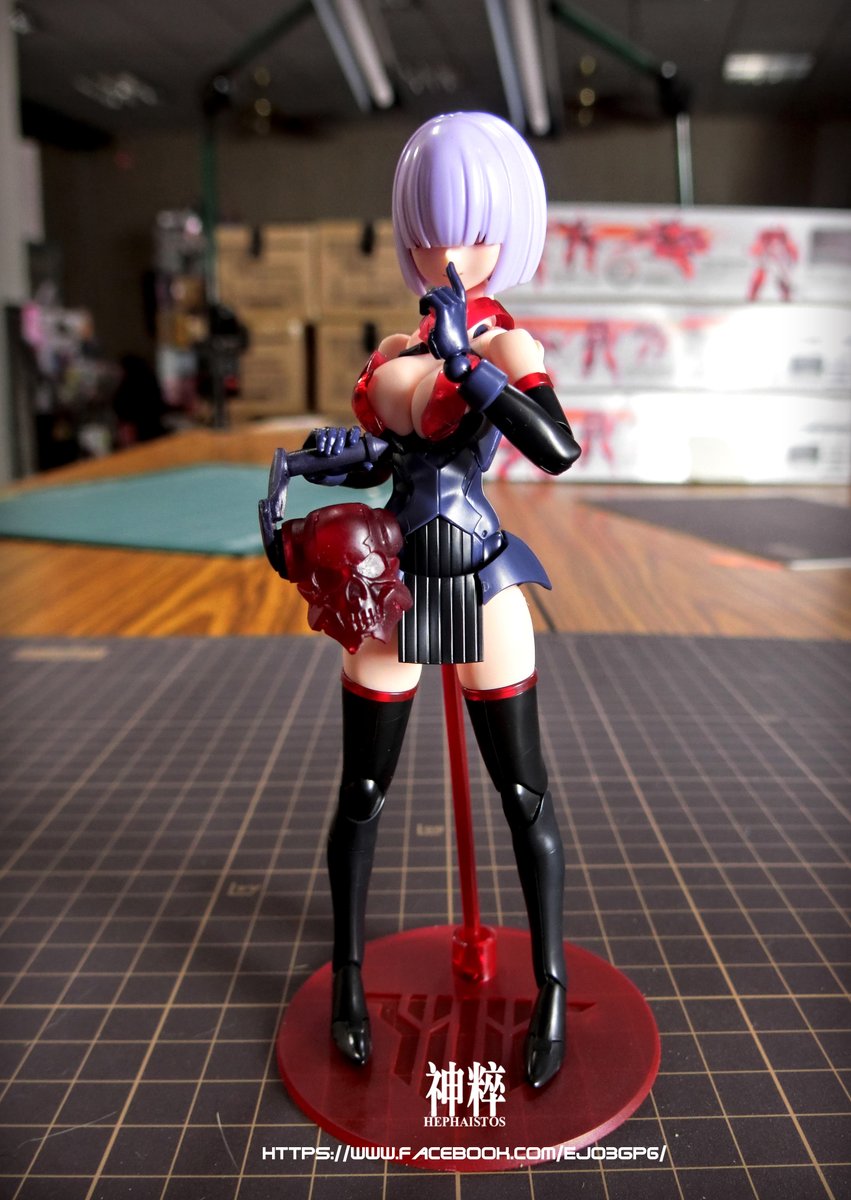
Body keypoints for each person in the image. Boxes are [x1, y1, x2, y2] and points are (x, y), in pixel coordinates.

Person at [309, 112, 581, 1088]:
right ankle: (348, 980)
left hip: (482, 577)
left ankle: (550, 986)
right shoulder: (394, 346)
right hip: (391, 582)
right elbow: (384, 437)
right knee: (363, 792)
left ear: (507, 233)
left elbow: (555, 446)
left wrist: (474, 367)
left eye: (468, 230)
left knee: (522, 792)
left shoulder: (508, 345)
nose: (445, 253)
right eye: (426, 232)